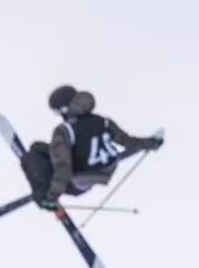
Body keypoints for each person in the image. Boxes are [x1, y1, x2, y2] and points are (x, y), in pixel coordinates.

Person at [22, 84, 163, 209]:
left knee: (29, 157)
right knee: (37, 147)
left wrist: (52, 197)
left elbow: (63, 167)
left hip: (74, 184)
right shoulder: (103, 122)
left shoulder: (64, 130)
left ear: (64, 109)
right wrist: (151, 143)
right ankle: (54, 187)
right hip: (102, 174)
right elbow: (127, 141)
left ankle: (42, 194)